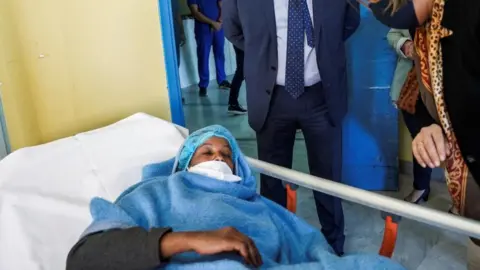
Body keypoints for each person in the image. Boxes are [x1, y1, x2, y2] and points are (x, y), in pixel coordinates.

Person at [66, 125, 405, 270]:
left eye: (226, 154)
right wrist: (192, 240)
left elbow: (312, 250)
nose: (217, 158)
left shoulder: (259, 205)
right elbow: (85, 258)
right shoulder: (154, 193)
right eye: (206, 152)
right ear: (184, 164)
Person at [223, 0, 360, 256]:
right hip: (271, 96)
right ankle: (276, 241)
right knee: (273, 180)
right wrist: (264, 55)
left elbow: (350, 22)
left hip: (322, 94)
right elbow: (234, 30)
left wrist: (324, 50)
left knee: (328, 177)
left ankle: (333, 244)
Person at [368, 0, 480, 268]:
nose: (375, 5)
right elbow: (433, 89)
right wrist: (430, 125)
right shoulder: (427, 25)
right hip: (471, 199)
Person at [386, 29, 433, 204]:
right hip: (411, 87)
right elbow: (392, 34)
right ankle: (421, 187)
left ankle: (459, 199)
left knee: (455, 142)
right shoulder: (408, 5)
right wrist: (404, 45)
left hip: (445, 85)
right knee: (419, 137)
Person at [188, 0, 231, 97]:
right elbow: (195, 12)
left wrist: (220, 21)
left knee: (220, 53)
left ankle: (222, 80)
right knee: (203, 55)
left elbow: (223, 5)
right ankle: (203, 84)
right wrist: (212, 23)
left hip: (219, 27)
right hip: (203, 28)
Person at [171, 0, 186, 104]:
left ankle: (177, 93)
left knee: (176, 64)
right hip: (170, 32)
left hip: (175, 32)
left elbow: (178, 14)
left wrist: (181, 32)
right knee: (172, 65)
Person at [227, 45, 247, 115]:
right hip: (243, 43)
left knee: (241, 71)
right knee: (241, 72)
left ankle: (233, 103)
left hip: (242, 42)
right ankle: (233, 103)